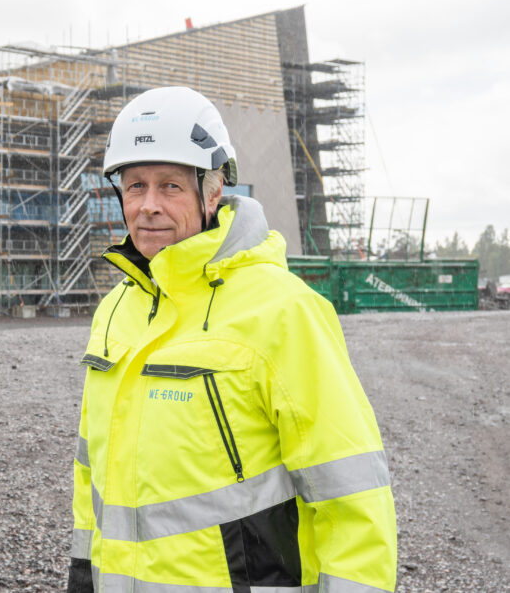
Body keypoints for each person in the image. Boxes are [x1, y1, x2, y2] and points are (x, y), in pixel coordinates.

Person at [67, 87, 397, 592]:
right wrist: (83, 576)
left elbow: (352, 497)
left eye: (171, 186)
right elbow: (93, 476)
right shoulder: (115, 312)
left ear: (214, 191)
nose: (148, 206)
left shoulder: (284, 311)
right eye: (135, 187)